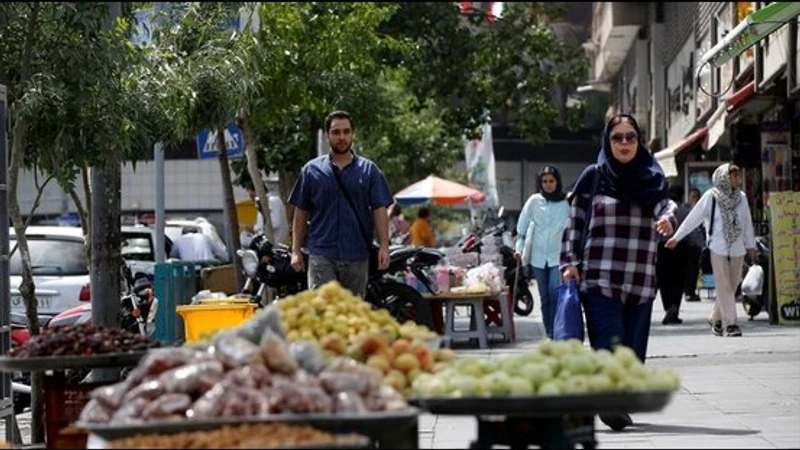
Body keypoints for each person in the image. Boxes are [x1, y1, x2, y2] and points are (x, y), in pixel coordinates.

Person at [561, 114, 676, 431]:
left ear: (639, 141)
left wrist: (668, 219)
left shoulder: (650, 177)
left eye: (631, 137)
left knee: (632, 351)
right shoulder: (593, 176)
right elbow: (574, 223)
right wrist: (569, 263)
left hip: (640, 281)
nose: (624, 143)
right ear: (606, 141)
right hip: (600, 278)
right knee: (609, 342)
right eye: (617, 137)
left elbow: (665, 205)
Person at [288, 110, 393, 298]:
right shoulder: (311, 171)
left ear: (353, 134)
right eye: (336, 132)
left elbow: (379, 209)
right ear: (327, 135)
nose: (341, 137)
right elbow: (301, 211)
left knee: (352, 317)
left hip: (357, 255)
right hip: (322, 254)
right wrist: (295, 250)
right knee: (323, 314)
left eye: (346, 132)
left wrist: (384, 246)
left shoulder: (369, 171)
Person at [666, 163, 756, 338]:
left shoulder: (741, 197)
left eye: (738, 176)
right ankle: (731, 325)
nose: (738, 179)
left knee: (732, 284)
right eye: (734, 176)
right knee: (724, 285)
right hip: (718, 246)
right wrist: (677, 237)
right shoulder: (711, 197)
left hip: (737, 247)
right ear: (724, 177)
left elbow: (747, 222)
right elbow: (694, 218)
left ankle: (715, 318)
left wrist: (750, 245)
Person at [514, 165, 569, 339]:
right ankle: (549, 331)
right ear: (540, 183)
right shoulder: (533, 201)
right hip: (537, 258)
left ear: (557, 182)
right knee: (544, 296)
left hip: (557, 257)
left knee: (555, 293)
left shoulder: (566, 202)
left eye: (551, 181)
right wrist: (519, 250)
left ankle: (557, 328)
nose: (548, 184)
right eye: (544, 181)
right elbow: (521, 231)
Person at [656, 185, 690, 325]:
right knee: (679, 280)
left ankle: (669, 307)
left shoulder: (661, 211)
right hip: (681, 248)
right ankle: (675, 306)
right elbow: (691, 231)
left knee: (664, 280)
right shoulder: (685, 211)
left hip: (662, 248)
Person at [242, 182, 290, 247]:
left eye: (252, 196)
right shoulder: (264, 204)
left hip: (275, 242)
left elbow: (275, 223)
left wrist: (253, 229)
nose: (251, 199)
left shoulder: (273, 201)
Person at [683, 188, 705, 302]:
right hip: (687, 243)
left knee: (695, 268)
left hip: (697, 243)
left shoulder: (702, 209)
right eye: (692, 196)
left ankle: (691, 290)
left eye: (696, 196)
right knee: (688, 268)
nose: (694, 199)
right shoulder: (686, 209)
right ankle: (688, 291)